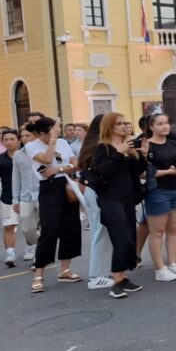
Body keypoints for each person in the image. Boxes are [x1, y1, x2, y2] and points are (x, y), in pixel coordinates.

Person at [25, 116, 83, 292]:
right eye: (54, 129)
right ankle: (39, 275)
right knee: (49, 230)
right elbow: (47, 159)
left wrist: (59, 169)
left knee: (70, 228)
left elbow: (76, 164)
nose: (57, 131)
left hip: (66, 185)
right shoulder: (31, 145)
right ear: (42, 132)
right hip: (48, 188)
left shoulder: (63, 143)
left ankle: (65, 269)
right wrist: (52, 141)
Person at [92, 113, 146, 299]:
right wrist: (119, 152)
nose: (124, 126)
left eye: (125, 123)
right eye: (119, 124)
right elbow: (103, 170)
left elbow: (137, 171)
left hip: (127, 198)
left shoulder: (128, 146)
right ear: (110, 126)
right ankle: (116, 280)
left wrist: (143, 155)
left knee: (130, 236)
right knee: (121, 237)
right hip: (110, 198)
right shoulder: (103, 148)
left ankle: (122, 278)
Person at [143, 113, 176, 282]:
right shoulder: (147, 146)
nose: (165, 126)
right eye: (160, 124)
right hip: (158, 190)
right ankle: (160, 268)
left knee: (174, 228)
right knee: (157, 230)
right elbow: (143, 173)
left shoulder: (173, 143)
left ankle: (172, 263)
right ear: (151, 127)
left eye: (167, 123)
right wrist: (168, 172)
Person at [77, 115, 114, 289]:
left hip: (96, 191)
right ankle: (95, 275)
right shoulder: (98, 147)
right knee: (100, 232)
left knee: (103, 232)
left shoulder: (92, 145)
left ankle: (103, 272)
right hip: (97, 192)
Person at [0, 129, 20, 267]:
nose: (9, 142)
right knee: (8, 226)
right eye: (6, 140)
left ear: (18, 140)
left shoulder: (27, 156)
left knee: (30, 227)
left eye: (12, 139)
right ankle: (10, 253)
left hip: (26, 197)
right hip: (7, 198)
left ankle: (32, 249)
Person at [12, 127, 40, 262]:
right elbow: (16, 178)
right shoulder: (18, 155)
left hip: (42, 194)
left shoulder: (42, 151)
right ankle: (33, 245)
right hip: (25, 195)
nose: (24, 138)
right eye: (22, 136)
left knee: (45, 225)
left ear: (35, 136)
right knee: (27, 227)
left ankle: (40, 252)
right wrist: (15, 199)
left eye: (27, 135)